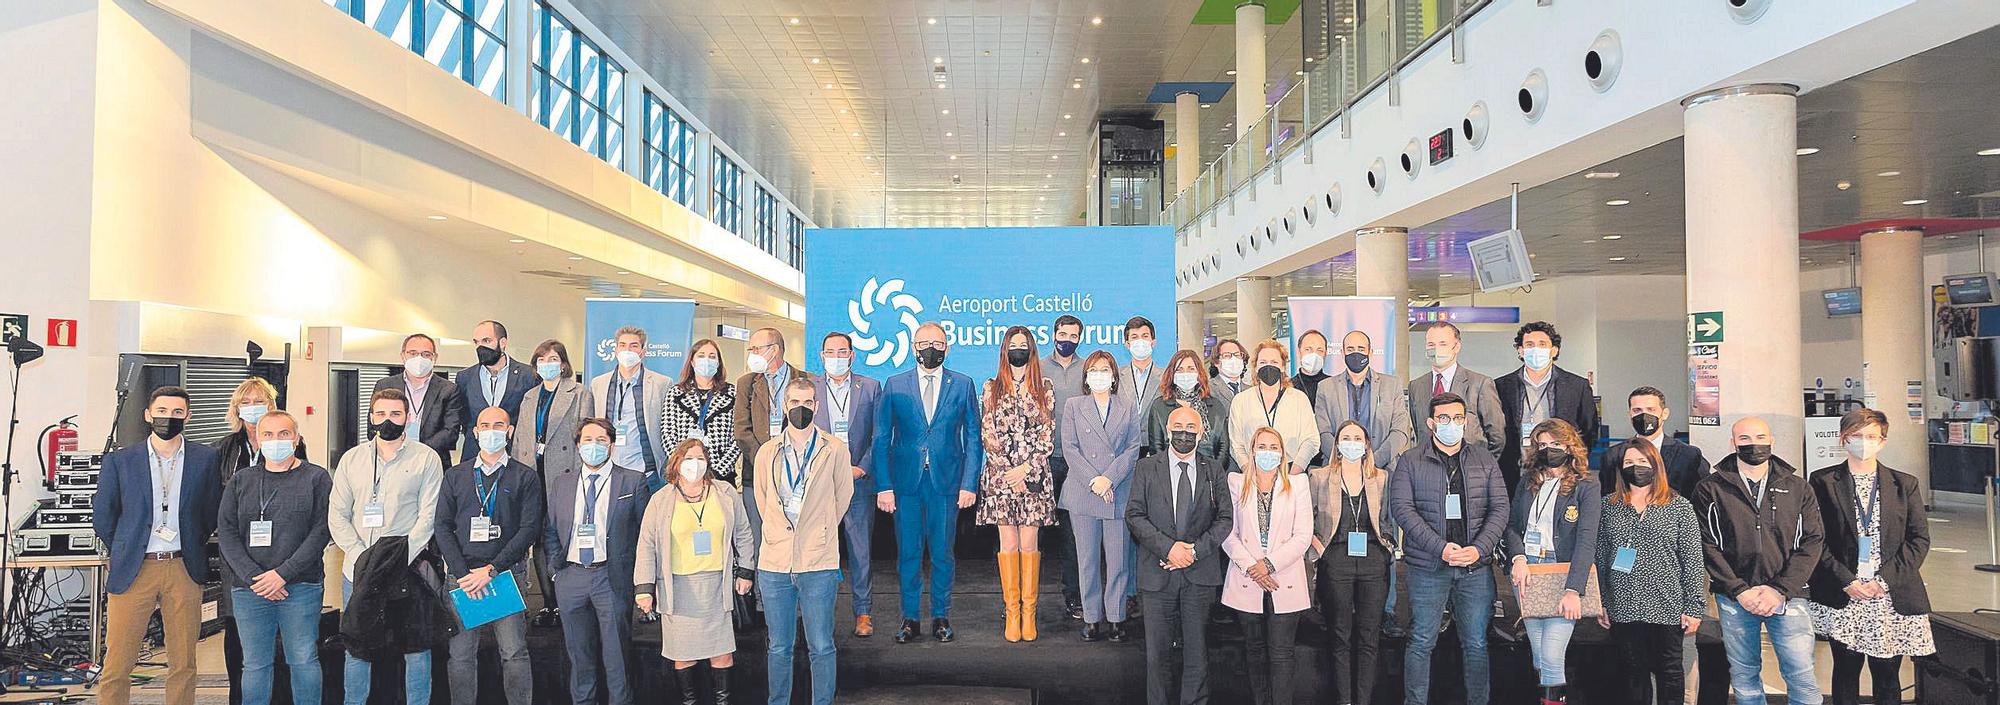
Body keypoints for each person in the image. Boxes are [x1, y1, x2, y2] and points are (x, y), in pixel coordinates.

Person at [94, 386, 223, 705]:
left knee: (183, 663)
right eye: (162, 411)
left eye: (178, 412)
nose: (169, 418)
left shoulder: (205, 458)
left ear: (188, 417)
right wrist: (127, 546)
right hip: (134, 569)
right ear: (148, 415)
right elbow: (104, 515)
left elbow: (210, 512)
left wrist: (191, 542)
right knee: (118, 663)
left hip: (183, 567)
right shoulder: (120, 461)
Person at [1691, 416, 1825, 705]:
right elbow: (1706, 544)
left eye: (1761, 438)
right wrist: (1739, 590)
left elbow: (1812, 541)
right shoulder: (1710, 488)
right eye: (1745, 439)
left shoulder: (1799, 487)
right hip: (1735, 598)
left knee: (1801, 674)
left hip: (1789, 597)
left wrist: (1780, 589)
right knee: (1744, 675)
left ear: (1772, 441)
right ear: (1733, 443)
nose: (1754, 445)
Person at [1807, 409, 1934, 705]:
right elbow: (1816, 540)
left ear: (1883, 441)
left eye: (1872, 436)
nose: (1864, 442)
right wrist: (1846, 580)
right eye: (1857, 436)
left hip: (1890, 594)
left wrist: (1883, 582)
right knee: (1845, 671)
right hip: (1845, 592)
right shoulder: (1822, 481)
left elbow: (1918, 540)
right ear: (1843, 439)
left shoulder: (1905, 484)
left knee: (1888, 674)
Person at [1390, 392, 1509, 705]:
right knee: (1420, 641)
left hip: (1474, 569)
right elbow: (1403, 510)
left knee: (1476, 644)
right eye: (1444, 418)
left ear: (1466, 421)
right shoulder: (1410, 461)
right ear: (1431, 423)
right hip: (1428, 569)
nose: (1452, 424)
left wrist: (1479, 549)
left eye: (1458, 418)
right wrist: (1441, 548)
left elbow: (1500, 509)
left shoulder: (1485, 460)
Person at [328, 387, 445, 705]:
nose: (388, 420)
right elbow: (337, 515)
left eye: (395, 413)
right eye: (380, 414)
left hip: (407, 569)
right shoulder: (352, 460)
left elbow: (429, 516)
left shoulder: (426, 458)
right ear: (370, 417)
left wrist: (400, 557)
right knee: (357, 648)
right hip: (359, 570)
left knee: (416, 649)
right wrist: (358, 555)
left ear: (408, 418)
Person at [872, 321, 983, 643]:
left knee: (943, 554)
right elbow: (881, 438)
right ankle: (909, 618)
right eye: (923, 343)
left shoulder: (963, 384)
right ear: (913, 347)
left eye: (937, 342)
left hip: (946, 484)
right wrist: (884, 485)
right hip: (905, 484)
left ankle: (940, 616)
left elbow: (973, 437)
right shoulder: (895, 384)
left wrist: (969, 483)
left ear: (947, 347)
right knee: (908, 553)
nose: (930, 348)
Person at [216, 410, 330, 705]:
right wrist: (255, 578)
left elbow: (321, 532)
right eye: (268, 434)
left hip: (301, 586)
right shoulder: (241, 480)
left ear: (297, 439)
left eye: (284, 434)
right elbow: (226, 532)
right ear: (257, 438)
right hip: (250, 590)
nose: (276, 440)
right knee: (254, 664)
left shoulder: (317, 478)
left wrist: (282, 574)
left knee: (303, 659)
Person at [752, 379, 855, 705]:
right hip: (775, 563)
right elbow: (762, 498)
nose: (801, 407)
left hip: (818, 561)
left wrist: (819, 530)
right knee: (778, 646)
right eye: (795, 401)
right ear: (784, 405)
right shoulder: (767, 452)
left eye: (808, 402)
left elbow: (843, 497)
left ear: (817, 406)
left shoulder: (835, 449)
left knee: (821, 645)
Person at [1126, 405, 1234, 705]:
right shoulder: (1146, 467)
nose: (1184, 433)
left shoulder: (1214, 470)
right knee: (1157, 656)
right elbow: (1134, 515)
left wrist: (1194, 552)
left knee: (1197, 654)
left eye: (1191, 427)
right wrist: (1169, 548)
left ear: (1201, 433)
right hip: (1157, 575)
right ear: (1167, 431)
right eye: (1178, 427)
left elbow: (1225, 519)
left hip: (1200, 576)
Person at [435, 407, 544, 705]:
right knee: (460, 655)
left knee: (514, 653)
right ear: (475, 432)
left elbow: (529, 529)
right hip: (463, 579)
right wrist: (462, 573)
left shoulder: (526, 477)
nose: (491, 430)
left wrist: (492, 569)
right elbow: (442, 527)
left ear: (509, 432)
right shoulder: (455, 476)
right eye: (485, 425)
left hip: (507, 576)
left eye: (499, 424)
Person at [209, 376, 307, 704]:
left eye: (259, 401)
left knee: (282, 642)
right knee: (239, 638)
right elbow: (217, 510)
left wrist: (282, 571)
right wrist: (250, 572)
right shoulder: (224, 449)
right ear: (236, 409)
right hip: (239, 562)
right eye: (246, 403)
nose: (253, 409)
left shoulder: (290, 444)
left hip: (283, 559)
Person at [635, 440, 755, 705]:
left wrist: (746, 571)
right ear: (676, 462)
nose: (695, 464)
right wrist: (644, 588)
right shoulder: (660, 500)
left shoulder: (725, 492)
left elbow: (744, 533)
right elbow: (646, 545)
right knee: (684, 655)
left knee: (722, 654)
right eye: (689, 458)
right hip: (678, 590)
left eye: (701, 458)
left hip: (716, 588)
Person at [544, 418, 649, 705]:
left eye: (601, 440)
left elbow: (644, 534)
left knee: (617, 661)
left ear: (612, 446)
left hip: (611, 579)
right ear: (578, 446)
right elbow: (551, 530)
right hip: (571, 578)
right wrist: (556, 571)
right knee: (580, 659)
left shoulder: (633, 481)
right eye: (587, 440)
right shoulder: (562, 483)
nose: (594, 446)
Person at [1595, 437, 1706, 705]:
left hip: (1667, 605)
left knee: (1669, 672)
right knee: (1633, 673)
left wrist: (1694, 607)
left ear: (1656, 465)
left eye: (1642, 461)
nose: (1636, 467)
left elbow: (1692, 559)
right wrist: (1601, 602)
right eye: (1629, 462)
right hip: (1623, 604)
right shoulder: (1608, 505)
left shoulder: (1679, 506)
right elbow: (1600, 557)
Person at [1503, 419, 1602, 704]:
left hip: (1563, 574)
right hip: (1529, 573)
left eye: (1555, 444)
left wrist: (1574, 590)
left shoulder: (1586, 485)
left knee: (1551, 654)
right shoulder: (1528, 481)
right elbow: (1512, 527)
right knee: (1539, 655)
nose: (1549, 450)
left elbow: (1587, 539)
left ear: (1569, 446)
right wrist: (1519, 558)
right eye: (1542, 445)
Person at [977, 326, 1058, 642]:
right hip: (1000, 476)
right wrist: (1008, 472)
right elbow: (987, 433)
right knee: (1008, 544)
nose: (1018, 350)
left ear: (1032, 350)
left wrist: (1025, 471)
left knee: (1029, 544)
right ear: (1004, 350)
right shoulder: (991, 387)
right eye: (1013, 345)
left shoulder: (1045, 387)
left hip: (1033, 476)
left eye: (1023, 345)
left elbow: (1047, 436)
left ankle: (1029, 614)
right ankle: (1012, 613)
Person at [1222, 427, 1314, 705]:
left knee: (1282, 653)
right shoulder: (1236, 482)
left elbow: (1303, 535)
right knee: (1254, 650)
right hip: (1246, 577)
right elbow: (1227, 531)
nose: (1267, 452)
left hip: (1284, 576)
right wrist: (1253, 566)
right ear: (1251, 451)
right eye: (1262, 446)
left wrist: (1269, 564)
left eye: (1274, 447)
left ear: (1283, 453)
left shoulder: (1298, 484)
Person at [1308, 421, 1395, 705]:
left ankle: (1363, 699)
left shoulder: (1380, 477)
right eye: (1346, 437)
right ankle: (1344, 700)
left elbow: (1388, 520)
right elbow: (1305, 518)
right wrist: (1319, 549)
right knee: (1340, 635)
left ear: (1367, 444)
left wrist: (1389, 548)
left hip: (1373, 561)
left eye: (1358, 438)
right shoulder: (1320, 476)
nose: (1352, 442)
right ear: (1337, 445)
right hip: (1335, 560)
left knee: (1369, 637)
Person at [1059, 351, 1141, 642]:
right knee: (1088, 560)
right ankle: (1092, 618)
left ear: (1114, 375)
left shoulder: (1127, 406)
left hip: (1117, 491)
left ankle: (1117, 618)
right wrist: (1095, 480)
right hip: (1084, 492)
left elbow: (1133, 448)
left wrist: (1109, 478)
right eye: (1093, 370)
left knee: (1118, 562)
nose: (1098, 374)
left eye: (1104, 369)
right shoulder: (1074, 405)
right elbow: (1069, 447)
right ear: (1086, 377)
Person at [512, 339, 595, 624]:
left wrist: (578, 479)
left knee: (559, 538)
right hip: (532, 474)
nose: (547, 364)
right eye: (542, 360)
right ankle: (548, 603)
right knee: (537, 540)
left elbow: (584, 438)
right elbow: (520, 440)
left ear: (563, 363)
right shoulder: (529, 396)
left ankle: (565, 601)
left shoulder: (580, 393)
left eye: (553, 359)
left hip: (562, 476)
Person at [814, 332, 884, 637]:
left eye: (842, 351)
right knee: (820, 552)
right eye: (831, 351)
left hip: (858, 482)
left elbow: (880, 436)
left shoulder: (870, 387)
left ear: (852, 355)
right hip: (820, 484)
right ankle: (821, 614)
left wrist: (862, 467)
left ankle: (863, 613)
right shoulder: (809, 389)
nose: (837, 356)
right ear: (821, 355)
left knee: (860, 552)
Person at [1496, 321, 1599, 489]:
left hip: (1563, 474)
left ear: (1554, 350)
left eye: (1542, 344)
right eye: (1529, 345)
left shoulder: (1576, 386)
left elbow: (1589, 430)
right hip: (1515, 474)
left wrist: (1573, 461)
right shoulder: (1501, 386)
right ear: (1520, 351)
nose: (1536, 349)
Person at [738, 328, 814, 554]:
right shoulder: (747, 383)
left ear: (774, 350)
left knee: (797, 540)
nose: (752, 353)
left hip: (798, 474)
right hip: (756, 474)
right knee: (759, 540)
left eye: (756, 349)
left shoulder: (805, 380)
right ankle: (762, 590)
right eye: (750, 349)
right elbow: (742, 430)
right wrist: (765, 461)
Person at [1042, 314, 1090, 620]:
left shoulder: (1089, 369)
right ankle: (1022, 601)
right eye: (1062, 333)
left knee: (1075, 534)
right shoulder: (1039, 368)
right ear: (1053, 334)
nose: (1067, 339)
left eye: (1073, 335)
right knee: (1031, 533)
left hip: (1077, 463)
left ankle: (1074, 594)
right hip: (1042, 460)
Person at [1313, 330, 1412, 472]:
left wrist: (1374, 462)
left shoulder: (1392, 385)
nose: (1356, 353)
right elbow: (1323, 432)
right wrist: (1343, 461)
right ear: (1343, 353)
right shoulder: (1326, 387)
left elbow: (1399, 431)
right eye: (1350, 349)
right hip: (1337, 469)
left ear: (1370, 353)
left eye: (1361, 349)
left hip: (1383, 470)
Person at [591, 326, 672, 493]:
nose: (627, 350)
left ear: (643, 352)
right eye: (622, 345)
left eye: (634, 346)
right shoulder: (598, 384)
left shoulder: (661, 383)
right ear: (615, 350)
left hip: (647, 473)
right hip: (608, 469)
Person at [1406, 323, 1506, 454]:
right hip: (1427, 466)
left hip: (1470, 465)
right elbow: (1419, 432)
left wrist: (1483, 466)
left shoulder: (1480, 384)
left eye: (1443, 344)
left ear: (1457, 347)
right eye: (1431, 344)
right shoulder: (1416, 386)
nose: (1436, 349)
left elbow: (1497, 436)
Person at [661, 339, 743, 487]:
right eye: (701, 356)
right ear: (692, 362)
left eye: (712, 356)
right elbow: (667, 434)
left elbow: (737, 437)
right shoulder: (676, 393)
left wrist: (718, 470)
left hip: (721, 474)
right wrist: (682, 464)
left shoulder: (732, 393)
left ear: (718, 363)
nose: (707, 360)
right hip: (684, 473)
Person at [1228, 340, 1319, 474]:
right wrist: (1250, 474)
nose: (1269, 366)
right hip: (1252, 473)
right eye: (1263, 362)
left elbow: (1311, 440)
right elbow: (1236, 445)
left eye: (1274, 362)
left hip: (1291, 470)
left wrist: (1293, 474)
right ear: (1256, 366)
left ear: (1283, 367)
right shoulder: (1240, 401)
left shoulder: (1299, 399)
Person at [373, 333, 466, 464]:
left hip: (432, 460)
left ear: (435, 358)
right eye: (413, 353)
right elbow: (374, 426)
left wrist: (418, 451)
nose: (419, 359)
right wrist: (398, 449)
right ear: (403, 356)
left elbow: (450, 432)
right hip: (390, 459)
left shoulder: (449, 389)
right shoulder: (384, 385)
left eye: (426, 354)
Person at [1599, 386, 1709, 497]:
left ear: (1665, 414)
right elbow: (1608, 498)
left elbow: (1702, 496)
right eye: (1637, 410)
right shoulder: (1613, 455)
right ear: (1630, 415)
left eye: (1651, 409)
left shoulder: (1688, 455)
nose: (1644, 416)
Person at [457, 320, 538, 461]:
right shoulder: (465, 377)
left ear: (503, 342)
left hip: (516, 456)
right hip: (474, 455)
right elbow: (464, 418)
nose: (480, 347)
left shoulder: (529, 375)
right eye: (476, 342)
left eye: (487, 341)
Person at [1144, 349, 1228, 462]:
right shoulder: (1159, 406)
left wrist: (1213, 473)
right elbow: (1156, 448)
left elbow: (1223, 448)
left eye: (1191, 369)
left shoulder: (1215, 406)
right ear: (1172, 374)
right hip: (1169, 472)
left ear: (1199, 373)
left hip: (1210, 473)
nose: (1185, 374)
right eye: (1180, 370)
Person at [1119, 316, 1167, 413]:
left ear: (1153, 343)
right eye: (1134, 337)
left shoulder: (1166, 376)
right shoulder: (1116, 376)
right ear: (1127, 345)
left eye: (1145, 336)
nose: (1140, 341)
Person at [1289, 329, 1331, 413]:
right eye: (1308, 349)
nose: (1314, 355)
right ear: (1299, 352)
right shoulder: (1289, 387)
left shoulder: (1333, 386)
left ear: (1325, 354)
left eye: (1320, 350)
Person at [1208, 338, 1251, 412]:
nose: (1233, 359)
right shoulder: (1208, 389)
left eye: (1237, 355)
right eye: (1227, 355)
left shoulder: (1251, 391)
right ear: (1216, 362)